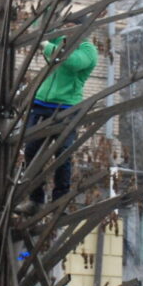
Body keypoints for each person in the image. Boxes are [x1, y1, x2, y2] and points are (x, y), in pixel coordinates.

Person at [16, 25, 98, 216]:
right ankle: (35, 201)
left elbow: (69, 61)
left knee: (62, 153)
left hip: (67, 107)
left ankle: (59, 202)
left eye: (72, 27)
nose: (67, 31)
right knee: (31, 152)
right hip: (41, 103)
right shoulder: (59, 40)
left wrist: (46, 45)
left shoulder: (88, 50)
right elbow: (40, 29)